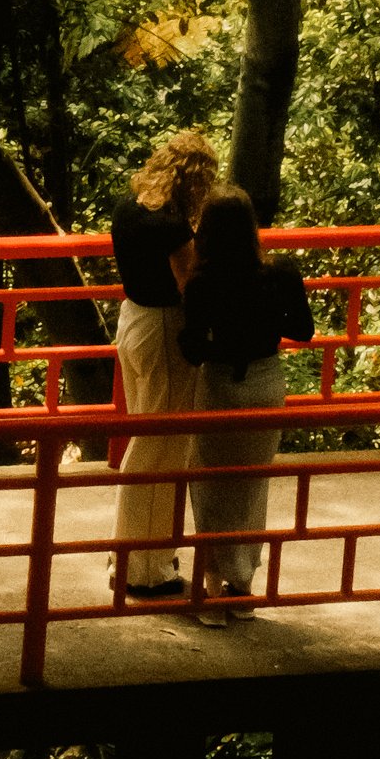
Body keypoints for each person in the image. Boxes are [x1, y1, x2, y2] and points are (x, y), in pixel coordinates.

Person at [178, 186, 314, 625]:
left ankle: (212, 585)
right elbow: (304, 330)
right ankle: (243, 588)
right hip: (266, 383)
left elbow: (192, 349)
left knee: (211, 484)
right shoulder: (279, 272)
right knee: (253, 485)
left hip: (219, 385)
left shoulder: (202, 282)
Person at [109, 131, 220, 596]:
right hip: (162, 331)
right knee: (161, 446)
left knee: (146, 435)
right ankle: (145, 567)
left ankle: (131, 552)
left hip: (131, 320)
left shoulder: (127, 207)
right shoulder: (172, 226)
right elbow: (189, 284)